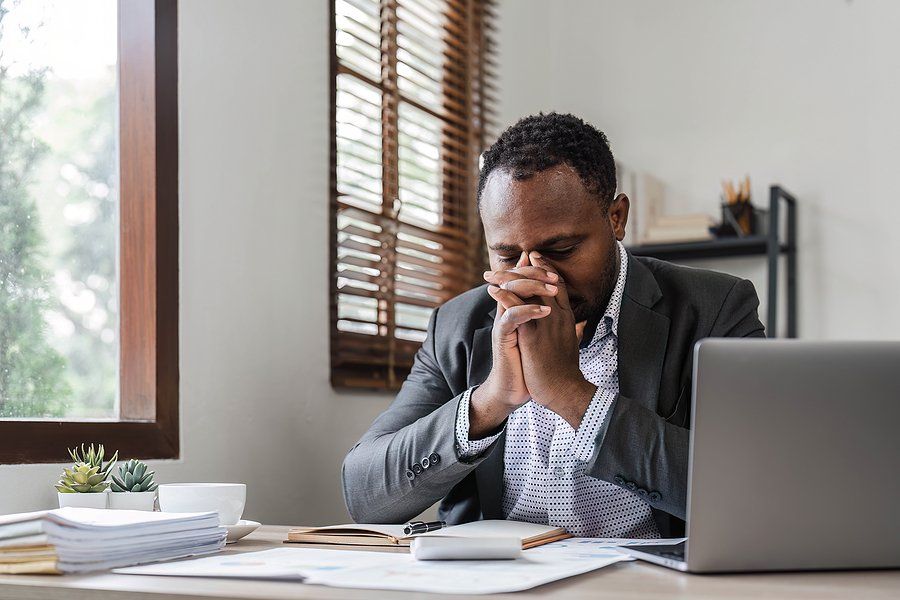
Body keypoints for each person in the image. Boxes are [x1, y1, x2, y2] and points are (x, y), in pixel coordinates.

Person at [341, 112, 764, 538]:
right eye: (507, 256)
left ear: (616, 218)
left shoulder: (715, 307)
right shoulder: (456, 326)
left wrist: (569, 392)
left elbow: (748, 491)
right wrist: (490, 401)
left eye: (560, 249)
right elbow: (364, 495)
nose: (537, 277)